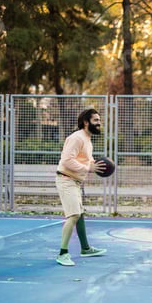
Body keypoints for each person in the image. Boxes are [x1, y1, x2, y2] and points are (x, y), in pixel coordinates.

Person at [55, 108, 107, 266]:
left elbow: (87, 160)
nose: (99, 123)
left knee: (80, 213)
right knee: (73, 215)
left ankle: (85, 249)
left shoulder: (87, 139)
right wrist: (87, 168)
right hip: (66, 179)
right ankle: (62, 254)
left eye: (99, 120)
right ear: (86, 122)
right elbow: (66, 160)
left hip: (75, 181)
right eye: (96, 120)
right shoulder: (77, 138)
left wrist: (95, 165)